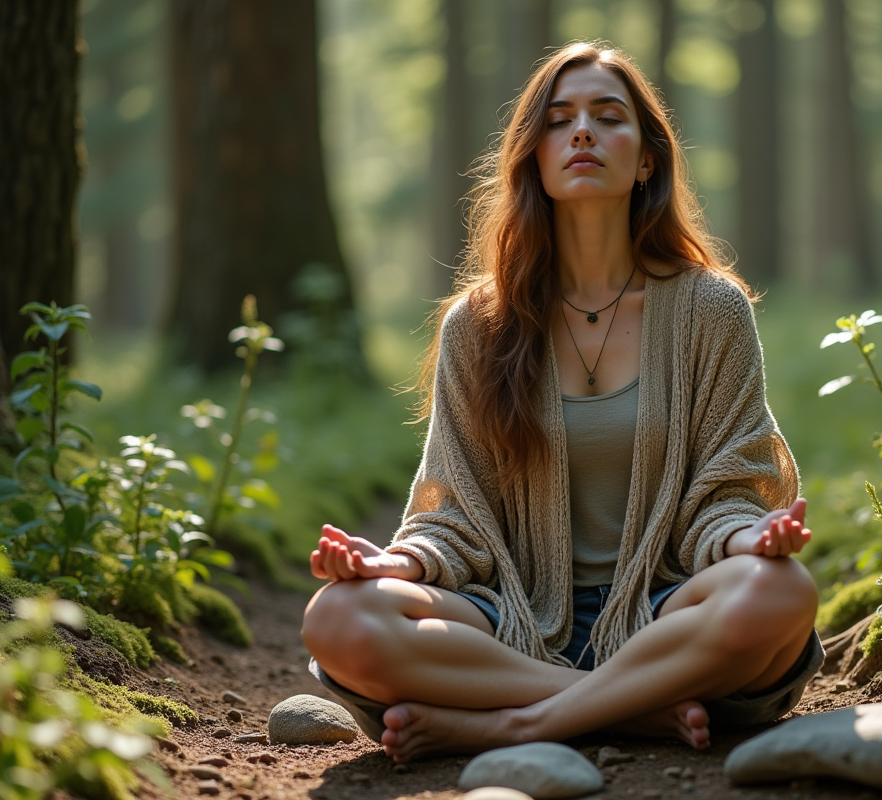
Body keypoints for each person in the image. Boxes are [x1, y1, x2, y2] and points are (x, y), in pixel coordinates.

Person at [301, 41, 822, 765]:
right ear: (534, 158)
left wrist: (749, 542)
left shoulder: (712, 309)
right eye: (559, 120)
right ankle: (631, 708)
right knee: (339, 616)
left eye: (608, 117)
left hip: (664, 610)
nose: (582, 132)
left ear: (647, 160)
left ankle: (514, 725)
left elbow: (728, 492)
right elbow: (453, 514)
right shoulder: (479, 324)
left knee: (781, 593)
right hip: (509, 619)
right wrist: (399, 565)